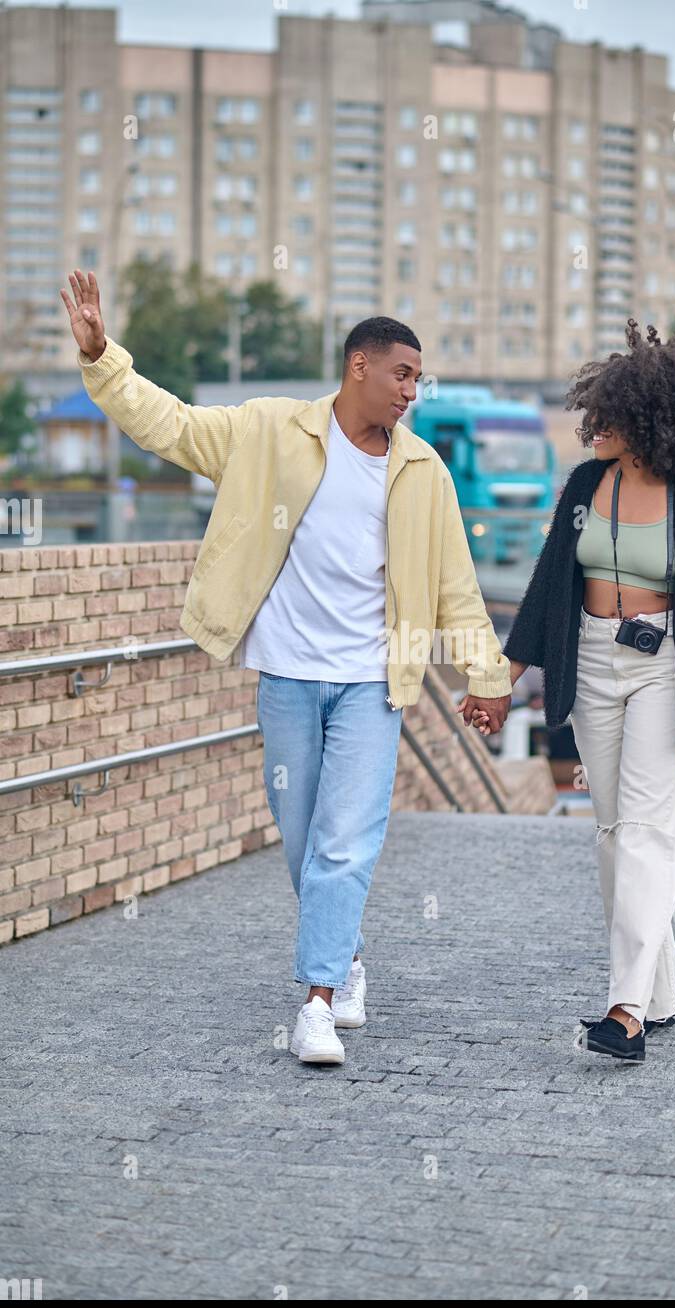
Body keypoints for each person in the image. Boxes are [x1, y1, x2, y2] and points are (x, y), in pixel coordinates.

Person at [62, 269, 512, 1066]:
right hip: (289, 677)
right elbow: (171, 426)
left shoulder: (423, 472)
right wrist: (104, 357)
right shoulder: (271, 431)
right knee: (305, 843)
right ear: (359, 366)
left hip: (373, 683)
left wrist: (488, 676)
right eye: (403, 374)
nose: (413, 391)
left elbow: (455, 587)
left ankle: (317, 1003)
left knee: (345, 844)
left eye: (418, 378)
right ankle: (348, 958)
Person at [476, 320, 675, 1063]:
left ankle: (624, 1011)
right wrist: (501, 682)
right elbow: (544, 593)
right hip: (591, 662)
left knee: (649, 826)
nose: (595, 428)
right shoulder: (585, 488)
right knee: (615, 831)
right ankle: (658, 994)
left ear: (649, 422)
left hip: (664, 666)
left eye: (610, 418)